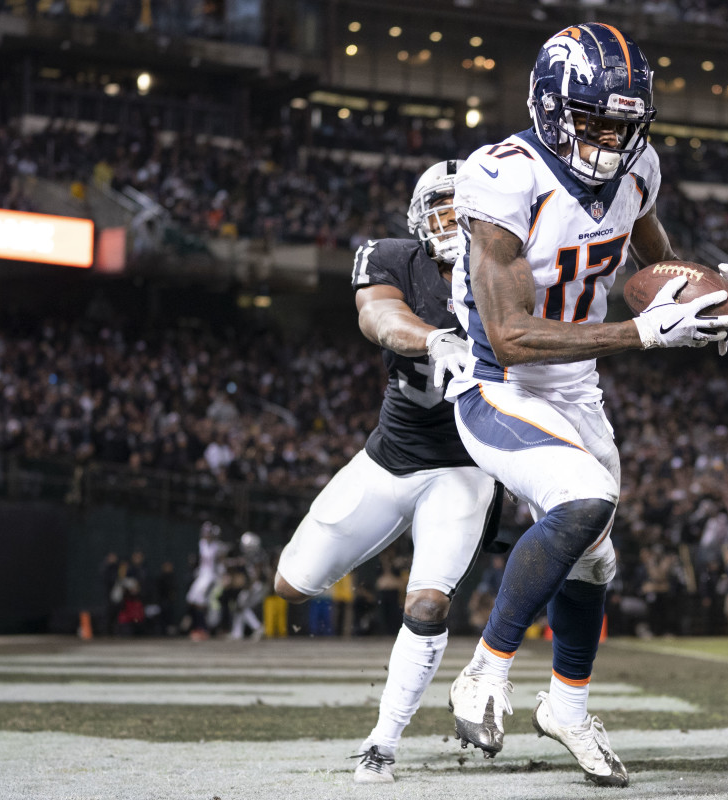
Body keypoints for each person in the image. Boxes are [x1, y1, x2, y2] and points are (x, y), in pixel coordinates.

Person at [442, 22, 728, 788]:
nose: (610, 139)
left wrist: (703, 297)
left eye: (625, 123)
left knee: (595, 558)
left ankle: (569, 707)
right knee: (586, 499)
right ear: (551, 109)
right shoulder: (502, 177)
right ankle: (484, 670)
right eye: (593, 121)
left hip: (576, 384)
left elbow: (652, 254)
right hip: (497, 381)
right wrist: (644, 333)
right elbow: (512, 336)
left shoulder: (637, 168)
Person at [272, 160, 504, 785]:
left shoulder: (509, 268)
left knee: (428, 605)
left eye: (466, 210)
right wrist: (433, 339)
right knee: (290, 586)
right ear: (419, 217)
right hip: (390, 458)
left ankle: (383, 742)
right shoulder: (394, 257)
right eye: (443, 209)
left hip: (464, 469)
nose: (454, 223)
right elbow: (377, 317)